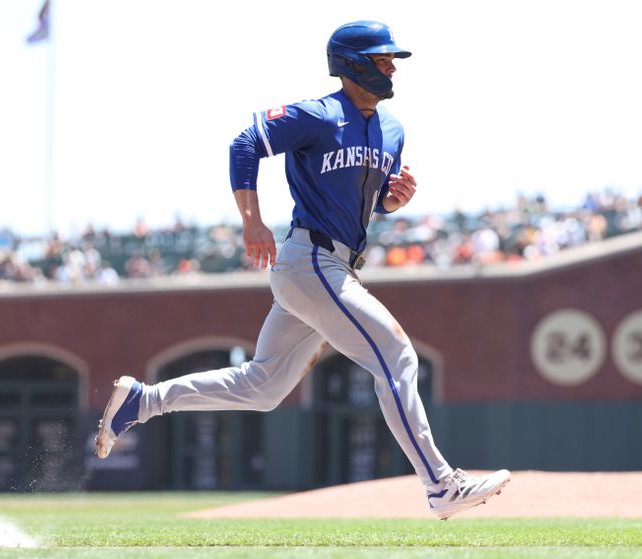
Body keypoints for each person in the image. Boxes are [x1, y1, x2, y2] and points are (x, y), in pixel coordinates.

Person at [95, 20, 510, 520]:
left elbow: (368, 203)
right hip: (310, 260)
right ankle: (442, 485)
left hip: (334, 265)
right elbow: (246, 141)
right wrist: (252, 219)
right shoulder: (319, 114)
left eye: (391, 59)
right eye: (381, 59)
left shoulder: (393, 129)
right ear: (352, 64)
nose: (391, 67)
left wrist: (392, 202)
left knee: (263, 388)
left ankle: (144, 400)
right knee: (397, 356)